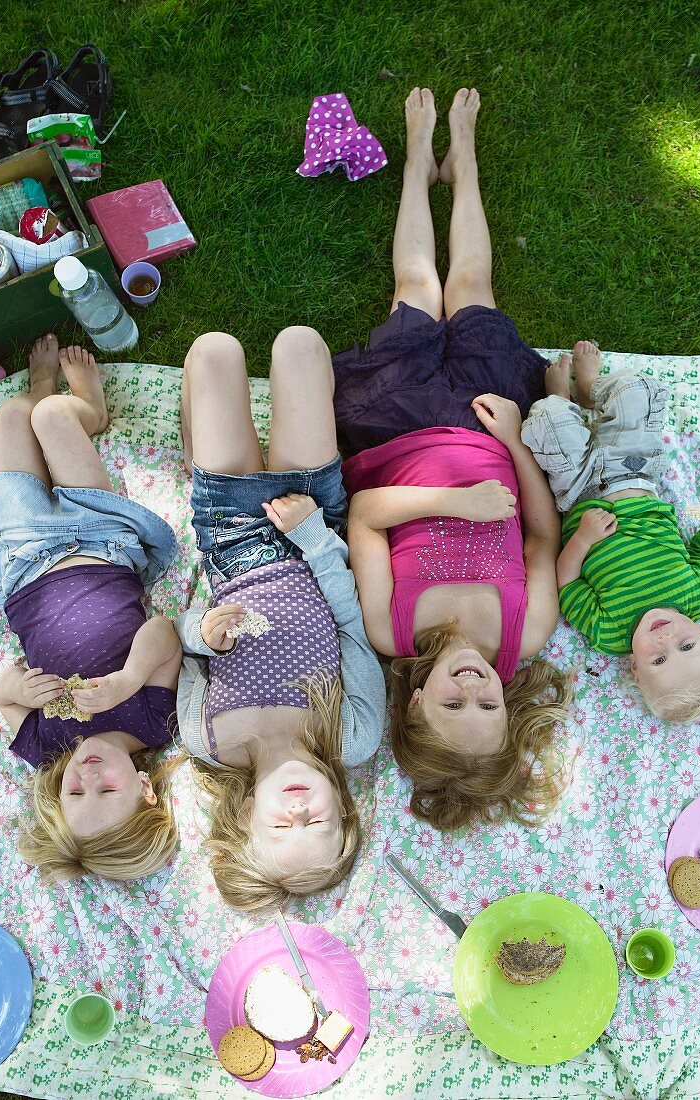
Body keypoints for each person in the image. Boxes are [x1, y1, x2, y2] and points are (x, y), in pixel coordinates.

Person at [331, 88, 570, 833]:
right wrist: (513, 444)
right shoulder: (524, 634)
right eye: (487, 703)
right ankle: (460, 160)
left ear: (413, 702)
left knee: (416, 291)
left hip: (394, 429)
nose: (471, 685)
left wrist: (453, 506)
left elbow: (366, 518)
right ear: (508, 699)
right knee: (470, 289)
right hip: (487, 425)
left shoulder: (389, 631)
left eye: (452, 704)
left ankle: (413, 162)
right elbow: (542, 537)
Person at [176, 326, 385, 911]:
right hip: (310, 523)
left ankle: (194, 448)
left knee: (214, 351)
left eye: (281, 829)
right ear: (343, 811)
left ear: (244, 817)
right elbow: (351, 625)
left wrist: (204, 634)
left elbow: (181, 643)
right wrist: (313, 535)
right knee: (299, 346)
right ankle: (202, 446)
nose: (299, 813)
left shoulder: (208, 740)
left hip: (229, 534)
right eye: (318, 826)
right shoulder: (352, 737)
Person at [0, 335, 183, 885]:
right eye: (107, 789)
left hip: (24, 562)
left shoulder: (47, 747)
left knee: (12, 418)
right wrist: (129, 678)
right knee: (52, 420)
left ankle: (40, 383)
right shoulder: (152, 722)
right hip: (98, 543)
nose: (87, 774)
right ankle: (88, 410)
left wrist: (18, 692)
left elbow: (2, 694)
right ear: (145, 788)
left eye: (74, 790)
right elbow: (164, 631)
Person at [520, 340, 700, 722]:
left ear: (635, 669)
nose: (666, 639)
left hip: (578, 490)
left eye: (660, 658)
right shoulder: (694, 599)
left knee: (547, 420)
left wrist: (582, 539)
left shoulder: (608, 633)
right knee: (638, 390)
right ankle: (590, 389)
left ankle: (560, 396)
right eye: (688, 645)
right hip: (635, 473)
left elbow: (565, 584)